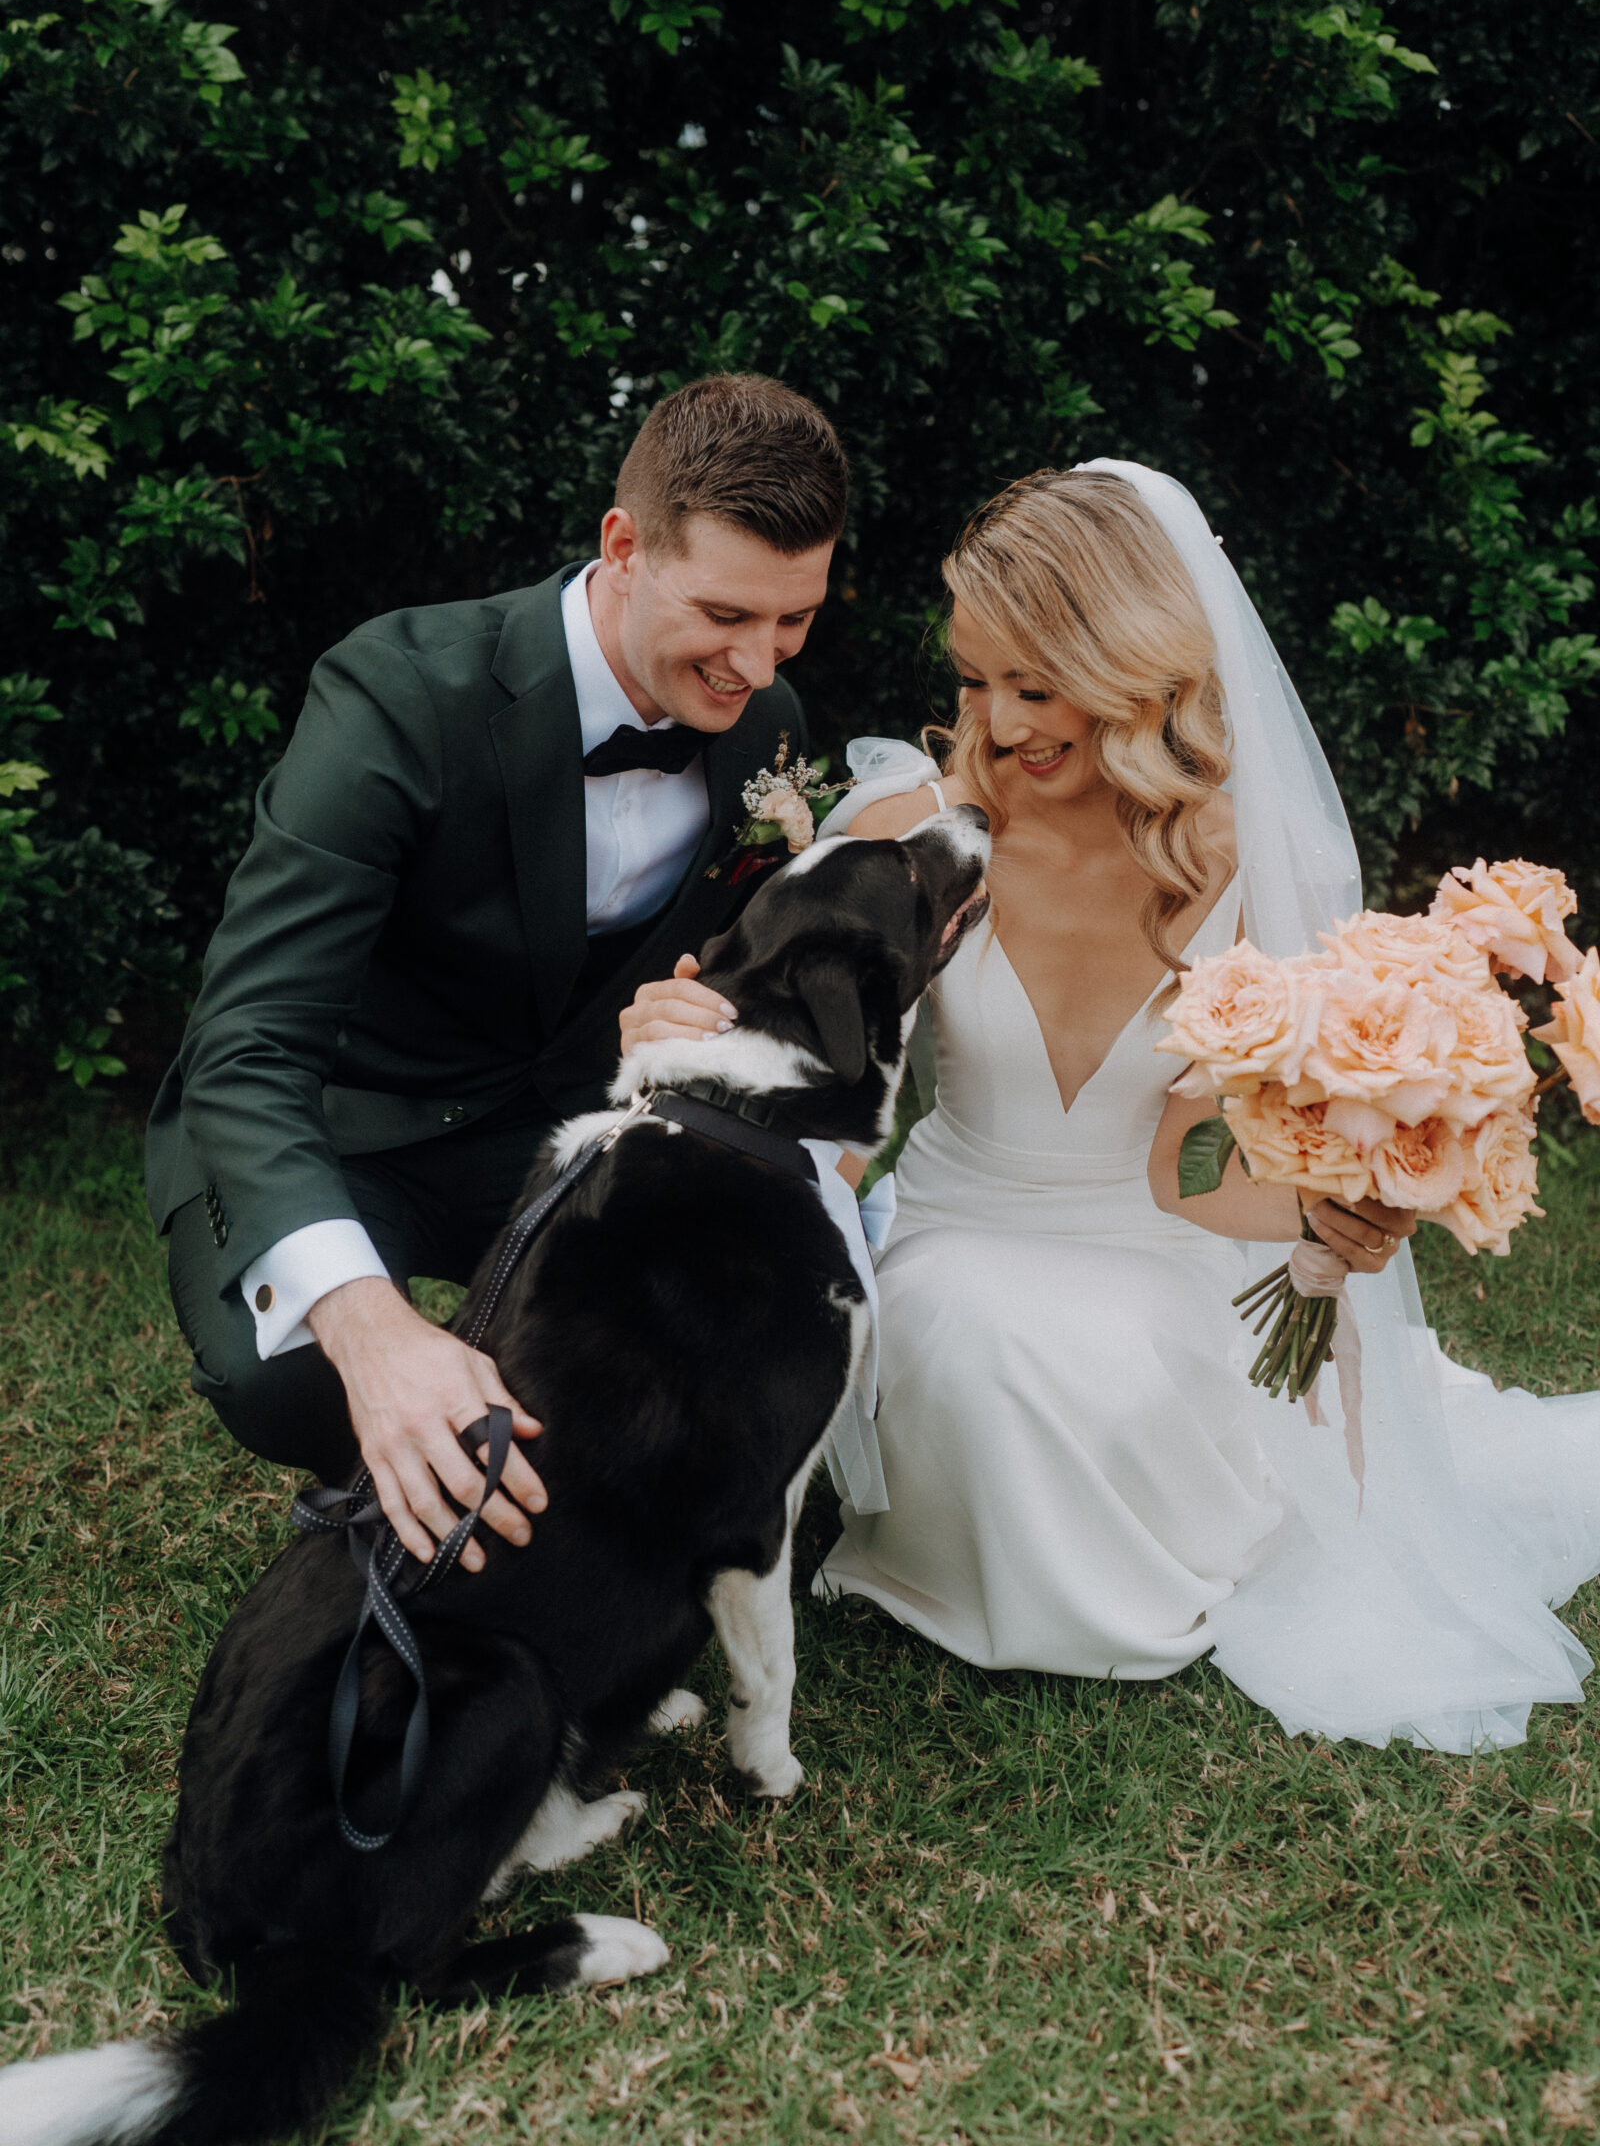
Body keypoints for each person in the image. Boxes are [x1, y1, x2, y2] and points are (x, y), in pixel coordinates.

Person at [632, 459, 1600, 1753]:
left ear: (1137, 670)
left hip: (1167, 1247)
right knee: (965, 1333)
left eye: (1037, 685)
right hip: (959, 1225)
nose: (998, 721)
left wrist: (1339, 1199)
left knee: (1088, 1355)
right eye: (975, 679)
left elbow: (1189, 1169)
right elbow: (837, 1125)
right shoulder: (915, 832)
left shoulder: (1245, 860)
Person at [146, 372, 846, 1575]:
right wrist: (374, 1332)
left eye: (794, 618)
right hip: (358, 1120)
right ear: (625, 545)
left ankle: (575, 1506)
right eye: (727, 613)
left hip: (569, 1130)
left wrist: (683, 1022)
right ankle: (418, 1455)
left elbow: (735, 971)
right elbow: (249, 1040)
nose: (757, 660)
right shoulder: (399, 693)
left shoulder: (765, 719)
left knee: (742, 1360)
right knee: (287, 1370)